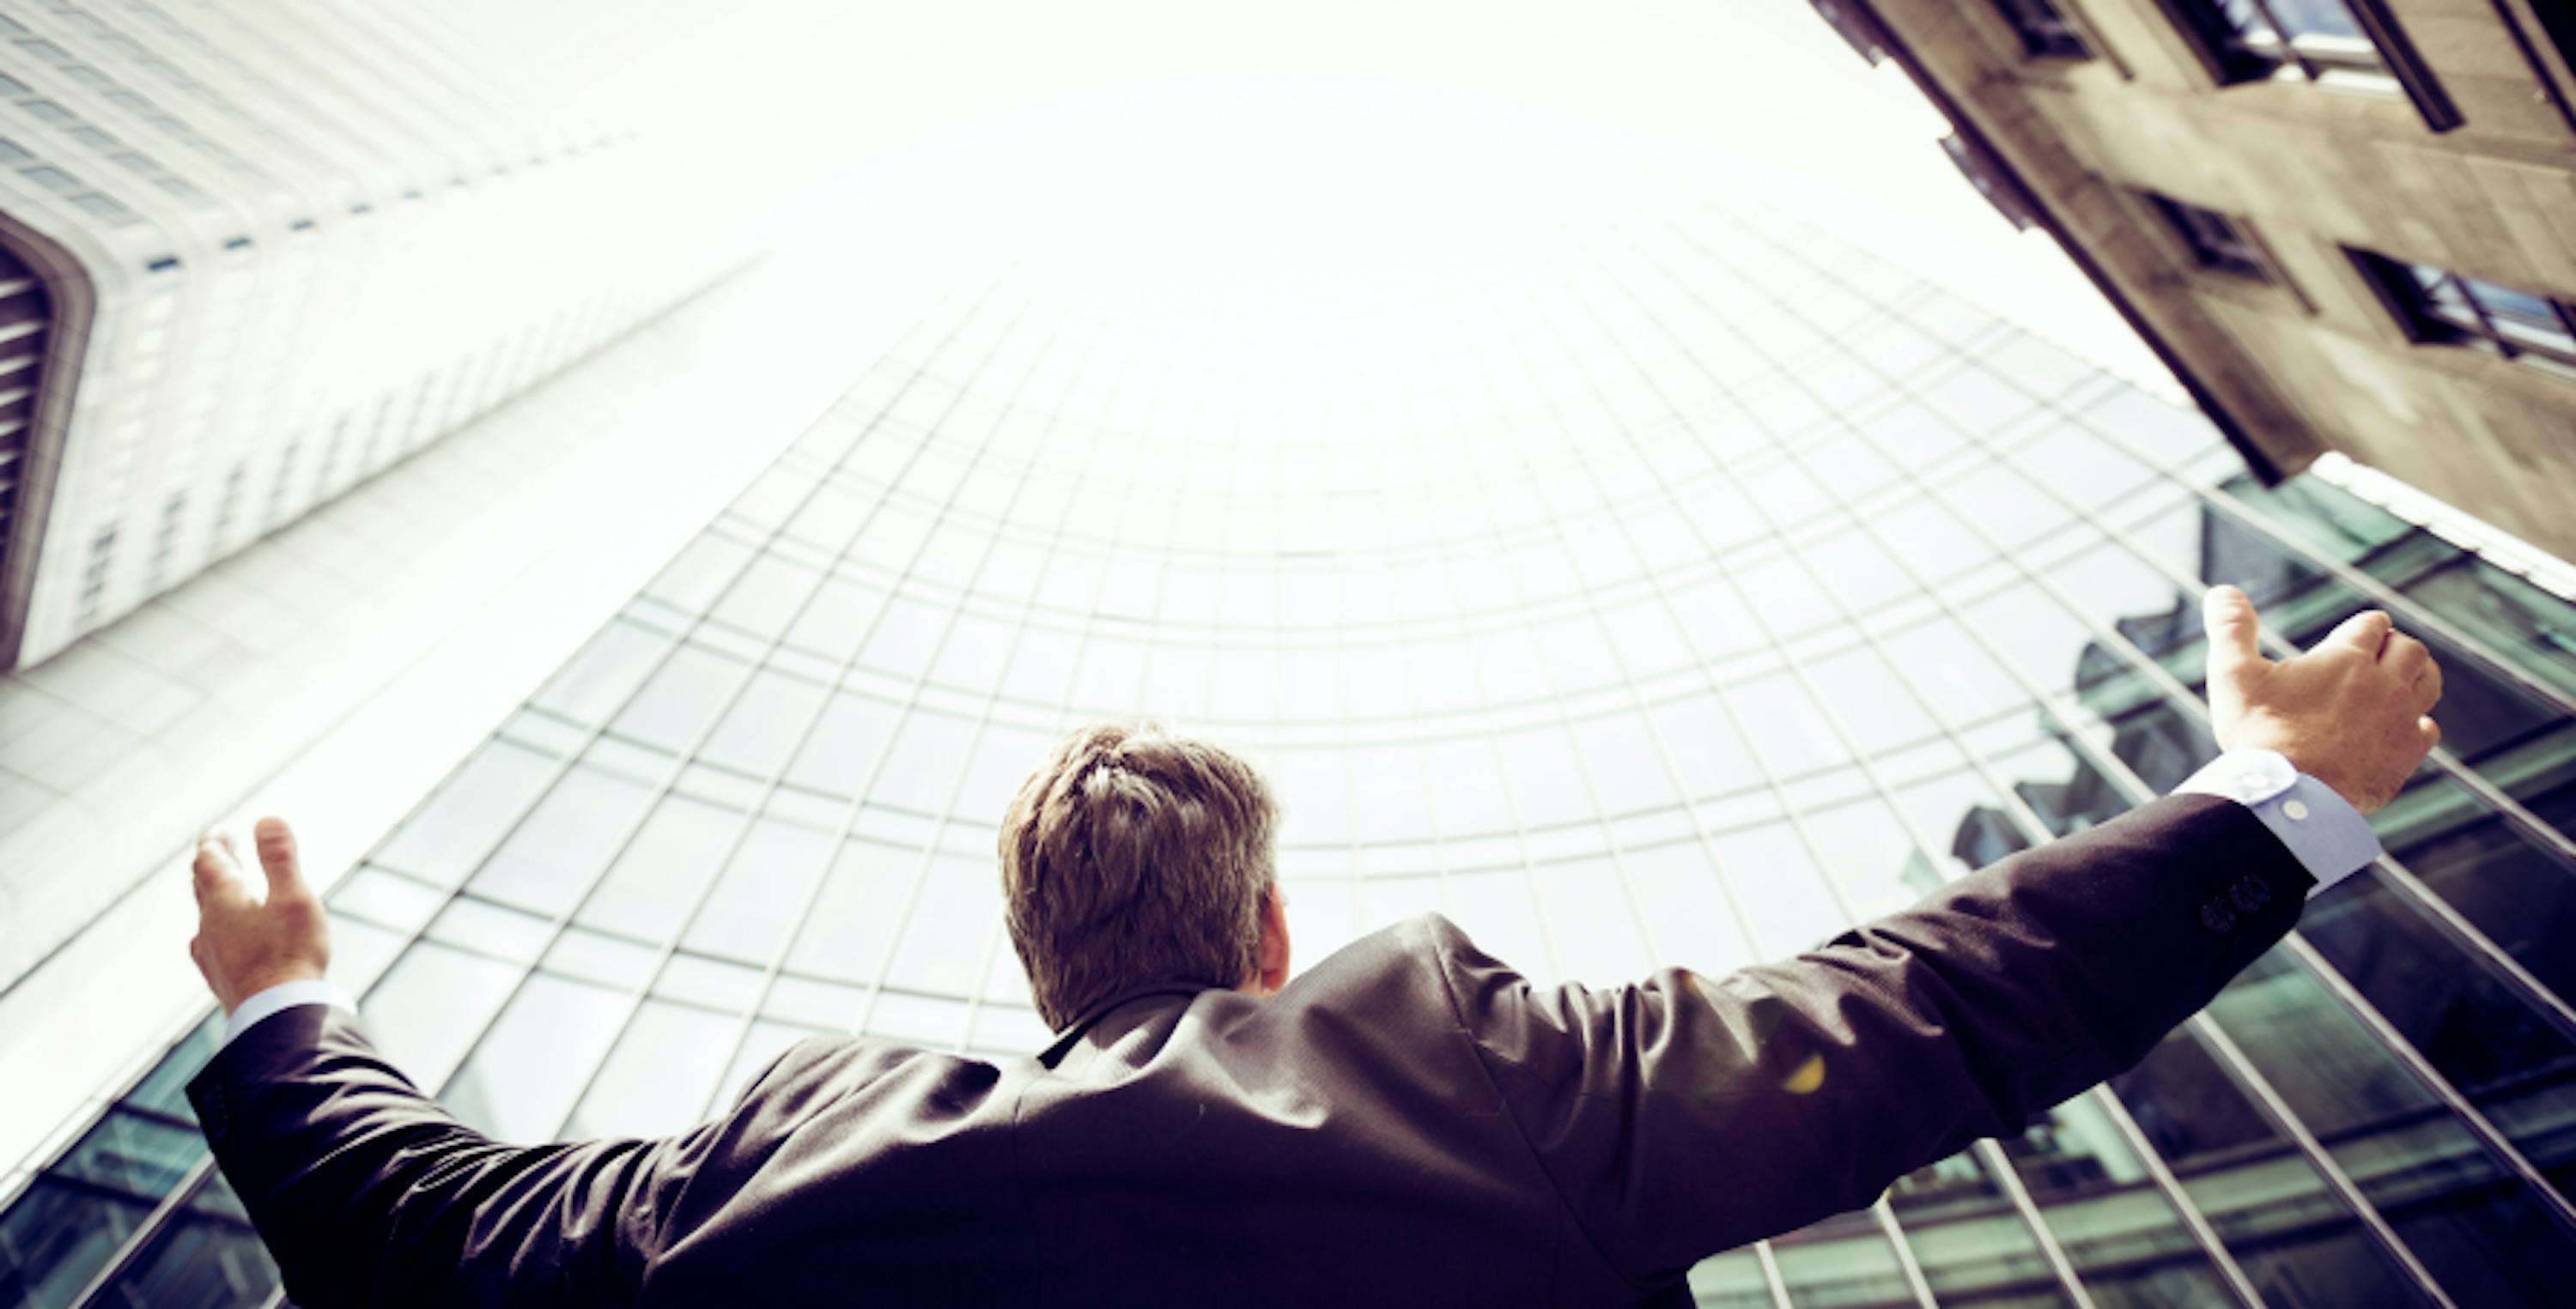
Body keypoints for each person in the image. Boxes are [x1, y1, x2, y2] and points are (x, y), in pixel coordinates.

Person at [185, 585, 2441, 1307]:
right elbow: (1922, 1007)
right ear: (1270, 930)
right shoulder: (1459, 1063)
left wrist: (289, 996)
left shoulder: (772, 1169)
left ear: (1036, 966)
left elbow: (419, 1234)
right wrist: (2271, 796)